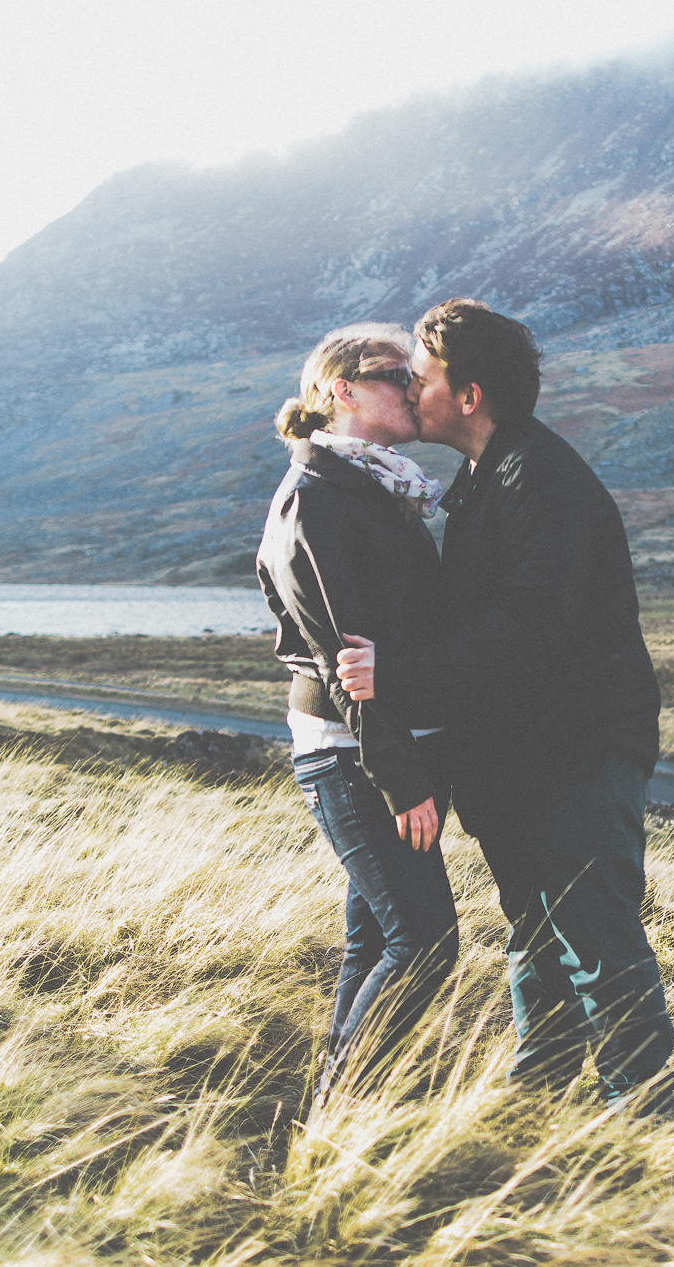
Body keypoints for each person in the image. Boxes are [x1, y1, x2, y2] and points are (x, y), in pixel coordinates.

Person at [336, 298, 674, 1117]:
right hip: (520, 759)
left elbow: (525, 631)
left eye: (420, 376)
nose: (409, 389)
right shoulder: (488, 480)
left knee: (596, 937)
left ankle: (646, 1117)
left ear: (470, 393)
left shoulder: (541, 481)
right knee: (535, 931)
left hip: (577, 754)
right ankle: (537, 1100)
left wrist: (397, 673)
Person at [256, 324, 458, 1106]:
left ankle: (329, 1118)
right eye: (393, 376)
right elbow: (350, 665)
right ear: (340, 390)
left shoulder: (371, 488)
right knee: (426, 940)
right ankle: (345, 1106)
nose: (414, 387)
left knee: (374, 937)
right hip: (355, 751)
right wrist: (401, 778)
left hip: (378, 745)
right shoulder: (318, 501)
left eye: (414, 375)